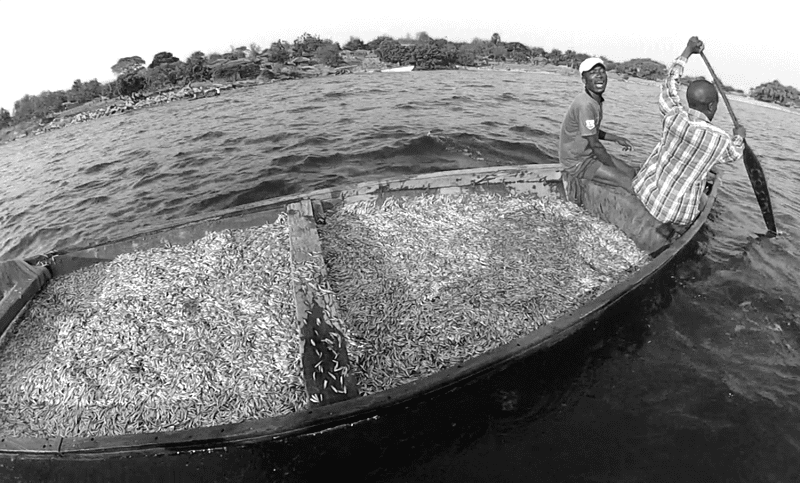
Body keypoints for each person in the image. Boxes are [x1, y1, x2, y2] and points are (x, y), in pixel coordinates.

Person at [633, 37, 745, 236]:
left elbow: (669, 82)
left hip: (645, 194)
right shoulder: (720, 139)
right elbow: (735, 154)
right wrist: (739, 136)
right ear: (711, 107)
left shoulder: (673, 115)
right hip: (676, 215)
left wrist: (687, 51)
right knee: (701, 199)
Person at [559, 57, 638, 197]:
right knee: (626, 180)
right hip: (577, 161)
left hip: (588, 154)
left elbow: (591, 130)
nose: (599, 75)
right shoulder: (585, 104)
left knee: (631, 172)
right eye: (593, 72)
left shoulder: (596, 100)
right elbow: (595, 144)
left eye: (602, 71)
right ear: (584, 80)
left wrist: (616, 138)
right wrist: (612, 168)